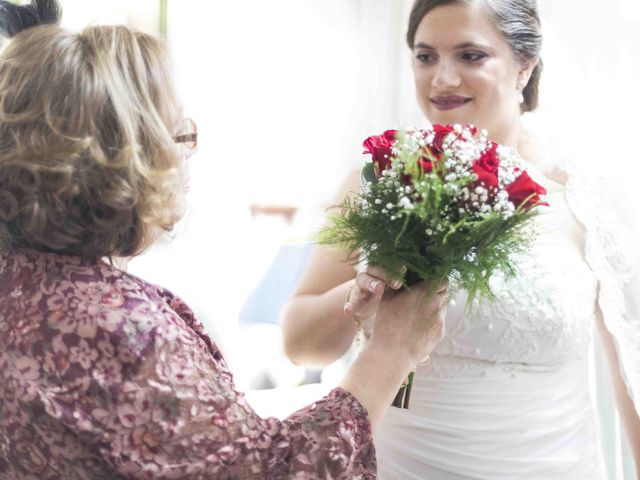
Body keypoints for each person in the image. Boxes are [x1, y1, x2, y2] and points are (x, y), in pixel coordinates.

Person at [0, 1, 450, 478]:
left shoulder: (18, 283)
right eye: (177, 135)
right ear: (118, 162)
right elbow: (267, 471)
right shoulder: (122, 331)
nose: (187, 156)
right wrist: (388, 354)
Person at [281, 0, 640, 478]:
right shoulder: (377, 181)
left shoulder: (584, 195)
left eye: (470, 56)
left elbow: (631, 376)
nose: (442, 79)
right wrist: (364, 292)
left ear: (524, 66)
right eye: (426, 56)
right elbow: (300, 344)